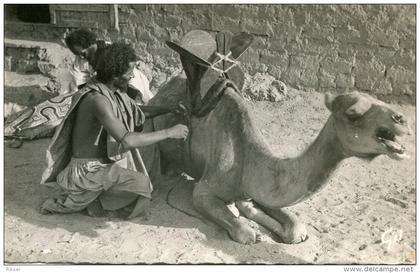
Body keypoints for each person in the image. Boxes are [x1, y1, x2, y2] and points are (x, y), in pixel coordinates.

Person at [40, 42, 189, 219]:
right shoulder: (97, 99)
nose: (132, 75)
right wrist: (170, 132)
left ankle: (95, 198)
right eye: (129, 72)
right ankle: (94, 202)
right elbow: (126, 140)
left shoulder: (113, 93)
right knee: (142, 184)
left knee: (137, 170)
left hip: (99, 165)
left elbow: (137, 112)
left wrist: (168, 109)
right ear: (115, 73)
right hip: (86, 171)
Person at [65, 28, 154, 104]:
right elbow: (79, 81)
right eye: (77, 54)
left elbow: (129, 79)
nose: (81, 57)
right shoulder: (80, 59)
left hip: (128, 87)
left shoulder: (112, 53)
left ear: (90, 45)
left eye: (83, 53)